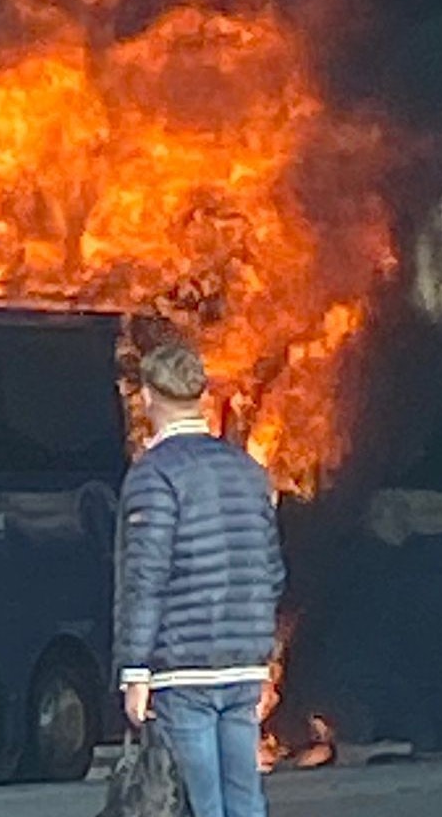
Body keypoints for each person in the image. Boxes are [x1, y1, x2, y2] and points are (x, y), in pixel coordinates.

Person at [114, 342, 285, 817]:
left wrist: (135, 671)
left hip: (183, 667)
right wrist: (259, 645)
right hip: (244, 664)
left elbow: (146, 579)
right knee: (245, 799)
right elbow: (272, 572)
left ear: (148, 397)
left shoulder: (155, 475)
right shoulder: (249, 472)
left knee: (200, 802)